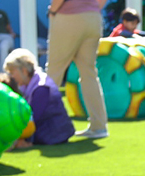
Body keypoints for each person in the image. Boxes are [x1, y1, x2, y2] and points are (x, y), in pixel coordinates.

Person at [46, 0, 109, 139]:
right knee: (89, 73)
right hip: (93, 18)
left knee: (54, 72)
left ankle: (42, 125)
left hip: (69, 18)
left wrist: (52, 11)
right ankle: (99, 127)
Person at [3, 48, 75, 147]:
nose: (11, 77)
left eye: (12, 72)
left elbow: (32, 118)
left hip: (53, 134)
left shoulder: (41, 88)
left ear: (24, 71)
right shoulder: (31, 83)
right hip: (48, 130)